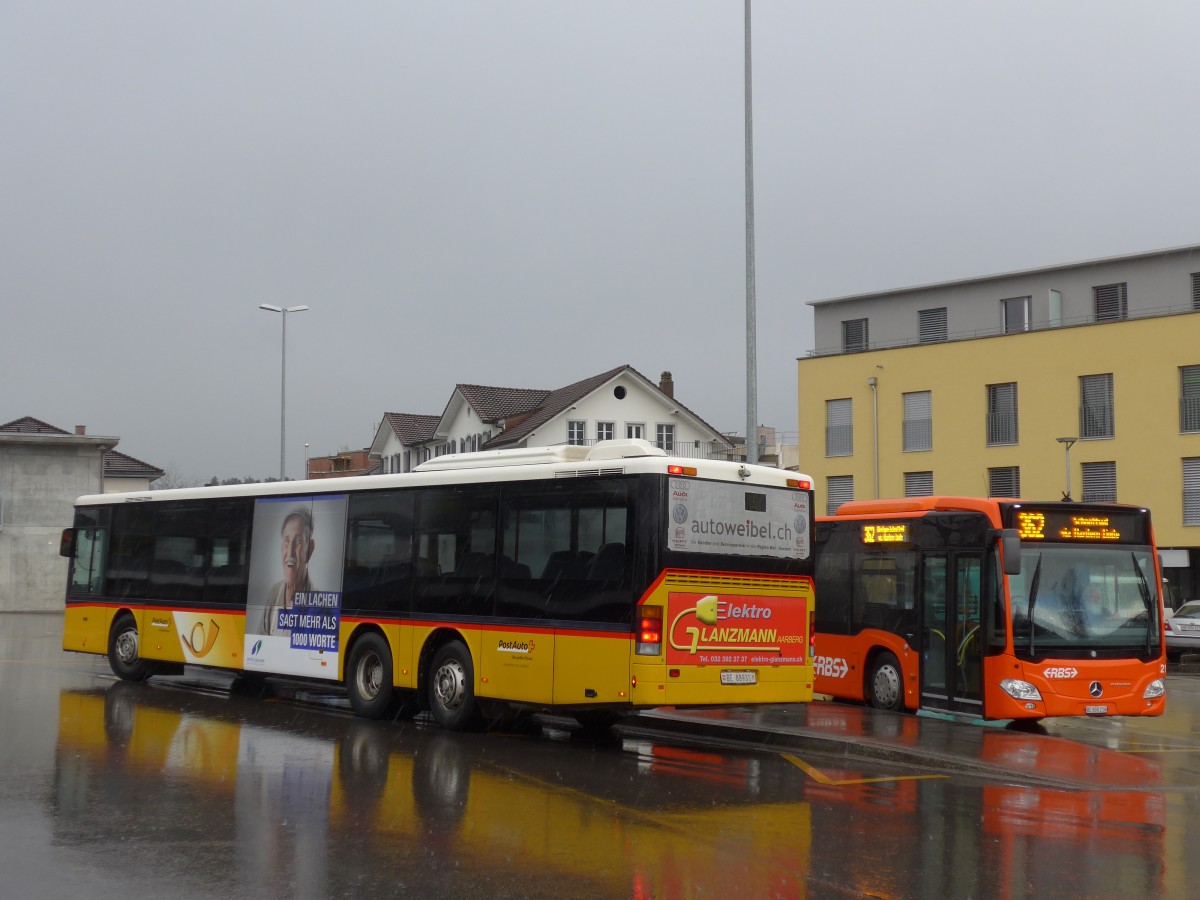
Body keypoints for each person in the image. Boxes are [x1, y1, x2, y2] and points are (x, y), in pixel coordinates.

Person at [259, 508, 317, 636]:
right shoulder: (274, 593)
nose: (290, 552)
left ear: (309, 550)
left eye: (298, 541)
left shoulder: (320, 604)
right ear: (281, 548)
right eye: (286, 541)